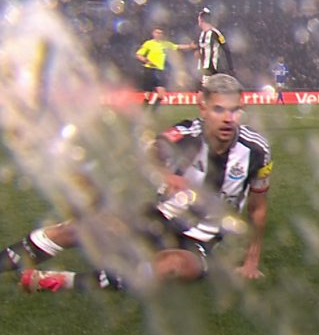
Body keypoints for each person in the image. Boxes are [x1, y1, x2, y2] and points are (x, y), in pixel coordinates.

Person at [0, 75, 272, 292]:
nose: (227, 118)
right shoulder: (182, 135)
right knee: (80, 228)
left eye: (234, 111)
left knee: (169, 266)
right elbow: (149, 152)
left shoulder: (257, 151)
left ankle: (63, 281)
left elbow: (258, 208)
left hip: (203, 240)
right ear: (202, 107)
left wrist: (251, 260)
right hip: (158, 220)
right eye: (219, 109)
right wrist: (166, 176)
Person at [135, 27, 195, 108]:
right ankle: (144, 111)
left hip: (159, 71)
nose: (158, 35)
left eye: (160, 33)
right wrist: (146, 60)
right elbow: (138, 55)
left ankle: (153, 113)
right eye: (157, 33)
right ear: (153, 33)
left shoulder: (165, 44)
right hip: (150, 69)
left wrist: (189, 46)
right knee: (148, 95)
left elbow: (177, 47)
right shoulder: (148, 43)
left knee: (161, 94)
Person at [197, 7, 234, 88]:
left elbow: (226, 48)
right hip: (202, 68)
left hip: (212, 68)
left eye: (199, 19)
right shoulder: (201, 34)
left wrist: (230, 67)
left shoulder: (215, 33)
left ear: (202, 20)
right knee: (203, 92)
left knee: (208, 91)